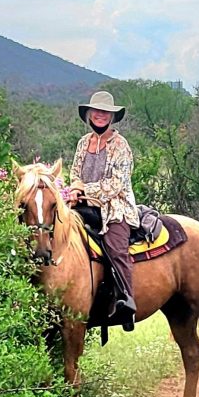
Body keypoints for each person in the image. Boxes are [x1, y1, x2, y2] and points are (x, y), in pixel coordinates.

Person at [67, 90, 139, 331]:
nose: (99, 115)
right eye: (96, 111)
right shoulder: (83, 143)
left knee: (116, 248)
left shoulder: (121, 146)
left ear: (111, 117)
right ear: (89, 114)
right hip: (84, 205)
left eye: (104, 112)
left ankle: (126, 301)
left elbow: (115, 185)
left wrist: (83, 188)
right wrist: (75, 190)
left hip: (114, 208)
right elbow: (75, 173)